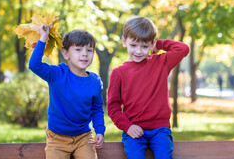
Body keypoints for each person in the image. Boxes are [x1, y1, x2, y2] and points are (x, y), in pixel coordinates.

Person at [107, 16, 189, 159]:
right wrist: (127, 127)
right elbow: (113, 107)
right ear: (124, 42)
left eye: (144, 46)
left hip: (160, 130)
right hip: (133, 130)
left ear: (151, 44)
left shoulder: (161, 63)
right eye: (133, 45)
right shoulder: (118, 73)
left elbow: (183, 48)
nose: (138, 51)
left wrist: (159, 44)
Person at [29, 24, 105, 159]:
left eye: (89, 50)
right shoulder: (57, 74)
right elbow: (34, 65)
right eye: (78, 49)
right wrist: (44, 37)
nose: (84, 54)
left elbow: (97, 109)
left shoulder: (95, 81)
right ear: (65, 53)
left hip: (83, 137)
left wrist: (99, 131)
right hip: (57, 138)